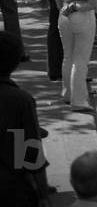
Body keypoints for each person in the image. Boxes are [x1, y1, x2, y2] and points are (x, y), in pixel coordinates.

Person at [0, 29, 50, 207]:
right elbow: (31, 150)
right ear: (15, 63)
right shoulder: (20, 100)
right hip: (11, 189)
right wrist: (43, 194)